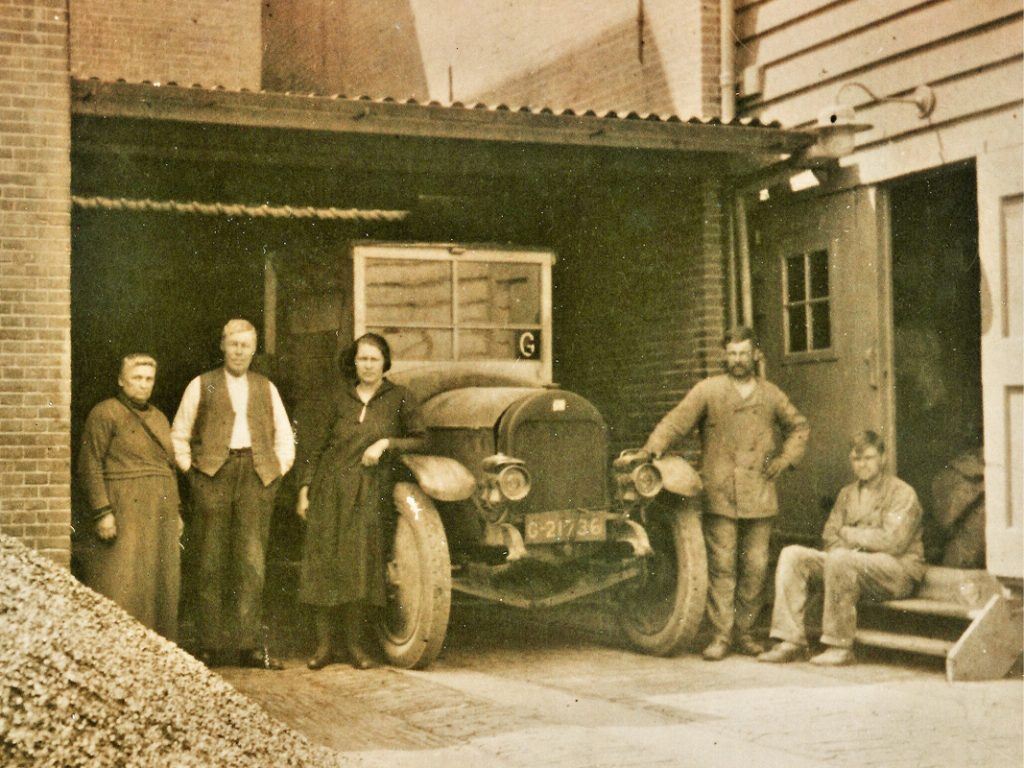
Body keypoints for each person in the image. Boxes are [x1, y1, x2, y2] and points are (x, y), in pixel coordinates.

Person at [643, 326, 809, 661]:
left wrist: (784, 460)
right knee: (721, 566)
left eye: (743, 354)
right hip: (721, 493)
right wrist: (653, 449)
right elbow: (677, 421)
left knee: (756, 567)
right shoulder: (709, 391)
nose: (736, 360)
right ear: (725, 356)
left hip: (760, 494)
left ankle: (745, 633)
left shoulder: (771, 395)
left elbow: (799, 427)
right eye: (731, 354)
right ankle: (720, 636)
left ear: (755, 355)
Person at [296, 333, 426, 670]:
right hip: (329, 488)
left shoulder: (400, 398)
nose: (367, 365)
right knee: (323, 565)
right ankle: (323, 647)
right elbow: (316, 447)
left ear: (385, 362)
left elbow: (422, 440)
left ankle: (354, 646)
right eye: (361, 359)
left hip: (368, 491)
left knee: (358, 569)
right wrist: (305, 487)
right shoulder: (339, 398)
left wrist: (385, 443)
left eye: (373, 359)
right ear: (353, 362)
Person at [171, 319, 295, 669]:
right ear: (222, 346)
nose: (239, 351)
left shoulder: (266, 387)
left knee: (252, 562)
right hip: (213, 475)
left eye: (246, 346)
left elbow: (284, 435)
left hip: (256, 475)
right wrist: (191, 473)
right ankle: (208, 643)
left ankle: (248, 645)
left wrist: (276, 470)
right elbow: (179, 433)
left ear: (254, 350)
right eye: (233, 344)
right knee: (209, 560)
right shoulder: (201, 384)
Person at [758, 430, 925, 666]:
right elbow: (829, 536)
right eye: (857, 459)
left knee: (841, 558)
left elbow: (893, 542)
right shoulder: (846, 494)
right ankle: (790, 640)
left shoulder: (902, 493)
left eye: (868, 458)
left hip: (896, 571)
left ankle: (839, 646)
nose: (862, 465)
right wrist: (853, 542)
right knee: (793, 555)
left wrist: (849, 535)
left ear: (883, 458)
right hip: (850, 566)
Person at [77, 353, 182, 640]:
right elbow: (90, 463)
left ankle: (155, 649)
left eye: (149, 379)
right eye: (137, 378)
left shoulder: (159, 417)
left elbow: (168, 466)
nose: (143, 385)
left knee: (157, 583)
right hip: (123, 508)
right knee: (123, 580)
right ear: (121, 381)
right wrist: (102, 511)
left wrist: (177, 511)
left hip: (158, 511)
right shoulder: (105, 413)